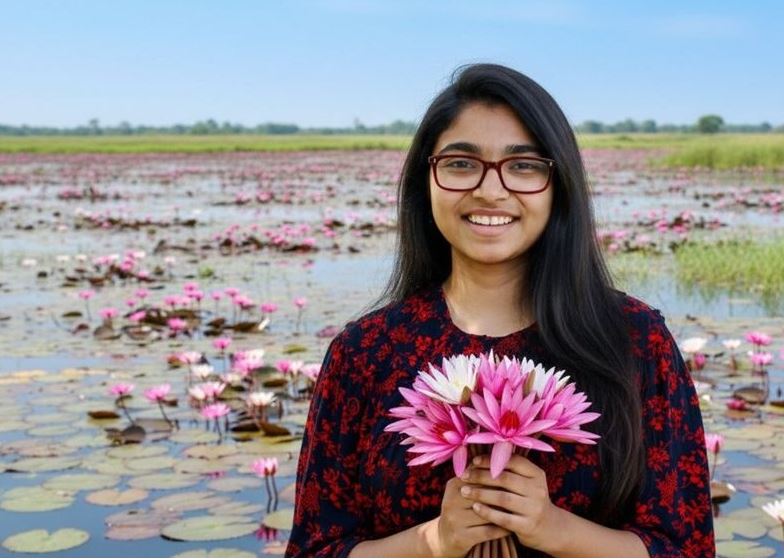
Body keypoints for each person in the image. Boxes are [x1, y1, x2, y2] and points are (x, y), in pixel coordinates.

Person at [285, 63, 715, 558]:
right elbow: (315, 550)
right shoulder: (365, 352)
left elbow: (688, 549)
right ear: (426, 179)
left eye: (524, 165)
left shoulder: (634, 339)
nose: (491, 190)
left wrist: (553, 529)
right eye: (461, 163)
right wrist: (433, 542)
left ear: (559, 185)